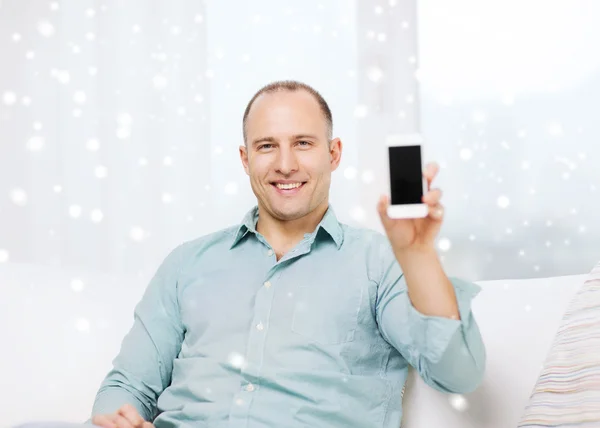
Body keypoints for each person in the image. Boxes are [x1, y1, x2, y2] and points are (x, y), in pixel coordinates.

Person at [27, 80, 486, 428]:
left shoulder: (383, 262)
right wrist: (116, 420)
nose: (285, 164)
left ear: (334, 153)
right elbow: (126, 387)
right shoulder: (187, 264)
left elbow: (459, 374)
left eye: (302, 143)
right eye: (268, 146)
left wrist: (420, 254)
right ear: (246, 159)